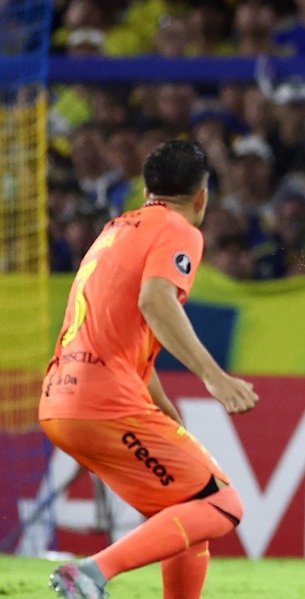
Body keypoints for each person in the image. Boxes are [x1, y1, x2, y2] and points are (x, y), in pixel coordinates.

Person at [40, 140, 259, 599]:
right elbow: (155, 302)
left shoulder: (115, 231)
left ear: (145, 189)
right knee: (223, 503)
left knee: (187, 510)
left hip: (61, 401)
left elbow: (121, 335)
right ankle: (92, 572)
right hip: (102, 402)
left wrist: (161, 407)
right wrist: (215, 377)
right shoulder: (178, 229)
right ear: (202, 196)